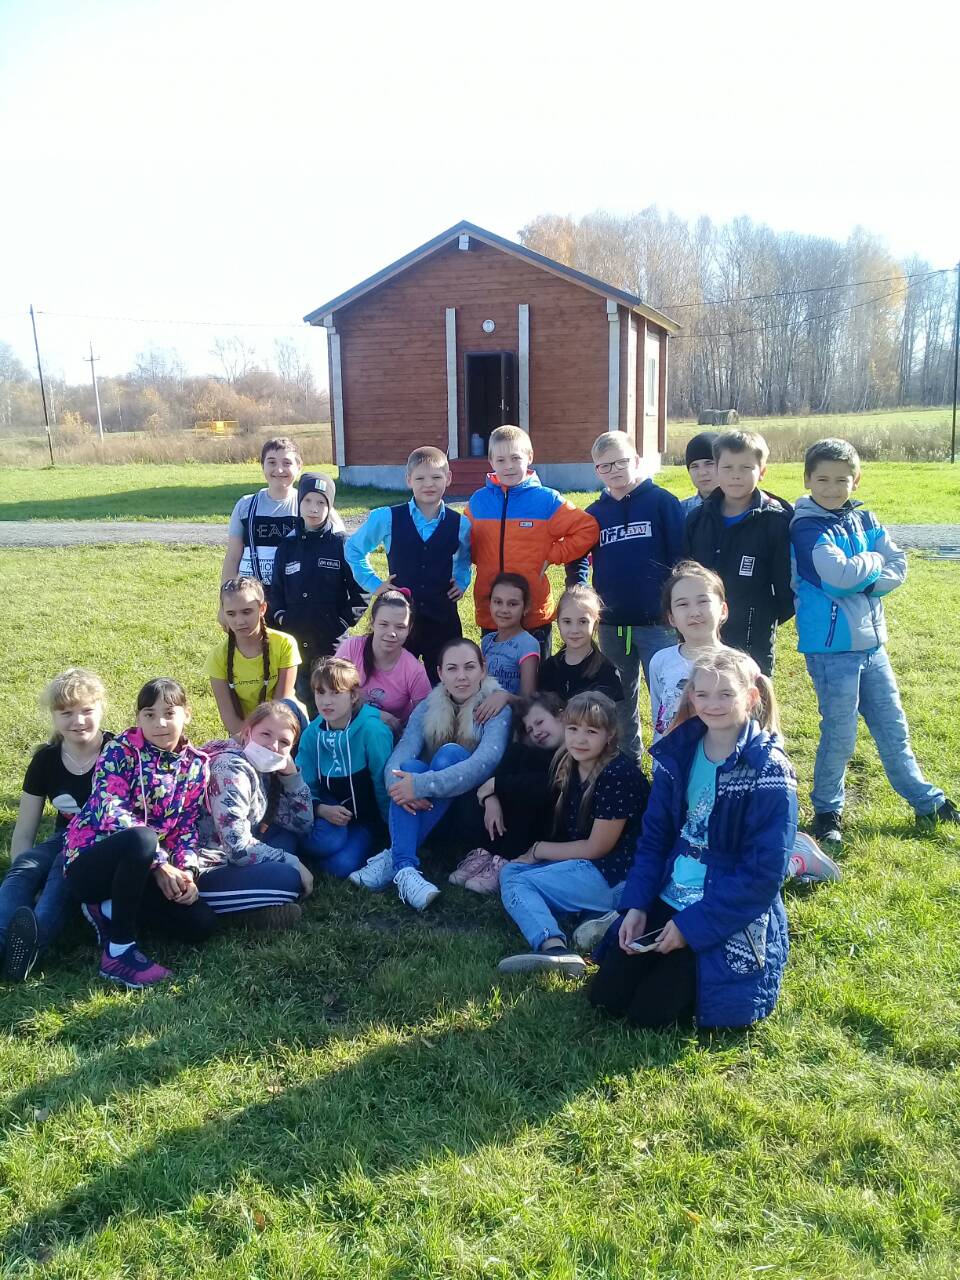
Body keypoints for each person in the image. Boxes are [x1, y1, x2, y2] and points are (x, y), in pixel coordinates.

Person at [589, 647, 796, 1030]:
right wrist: (637, 905)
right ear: (691, 698)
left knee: (649, 1014)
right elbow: (654, 840)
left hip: (725, 904)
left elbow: (762, 876)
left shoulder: (769, 769)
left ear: (751, 697)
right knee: (604, 999)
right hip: (670, 892)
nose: (712, 704)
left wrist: (691, 927)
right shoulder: (678, 755)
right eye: (703, 694)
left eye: (725, 694)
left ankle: (800, 858)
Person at [791, 438, 959, 842]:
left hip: (872, 647)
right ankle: (828, 811)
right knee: (841, 735)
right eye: (823, 479)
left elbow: (898, 565)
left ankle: (926, 800)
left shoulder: (865, 519)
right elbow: (838, 577)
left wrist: (864, 578)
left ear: (857, 480)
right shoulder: (806, 527)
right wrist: (873, 561)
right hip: (832, 652)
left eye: (842, 480)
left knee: (893, 727)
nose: (832, 488)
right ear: (808, 480)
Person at [63, 678, 218, 990]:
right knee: (142, 837)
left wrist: (186, 873)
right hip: (91, 863)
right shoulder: (118, 752)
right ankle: (118, 952)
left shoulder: (196, 765)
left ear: (187, 714)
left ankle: (107, 910)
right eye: (149, 714)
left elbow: (185, 826)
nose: (160, 723)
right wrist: (159, 864)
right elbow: (110, 809)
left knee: (200, 923)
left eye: (169, 713)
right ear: (138, 718)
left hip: (140, 867)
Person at [348, 639, 512, 910]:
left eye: (470, 667)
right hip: (429, 808)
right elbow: (401, 754)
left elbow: (482, 765)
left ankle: (394, 856)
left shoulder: (495, 708)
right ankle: (405, 869)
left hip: (473, 808)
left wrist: (420, 785)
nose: (461, 676)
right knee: (408, 768)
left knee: (451, 754)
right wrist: (401, 785)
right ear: (440, 673)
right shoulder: (428, 705)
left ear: (483, 670)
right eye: (452, 668)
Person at [497, 691, 650, 978]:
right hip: (594, 867)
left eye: (591, 731)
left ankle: (554, 948)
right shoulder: (570, 764)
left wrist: (539, 850)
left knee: (520, 883)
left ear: (609, 735)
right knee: (511, 871)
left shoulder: (618, 775)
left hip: (620, 875)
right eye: (573, 729)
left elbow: (597, 848)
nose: (579, 739)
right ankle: (598, 919)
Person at [568, 430, 684, 764]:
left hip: (657, 623)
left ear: (636, 460)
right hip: (613, 624)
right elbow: (577, 557)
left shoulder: (662, 502)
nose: (614, 470)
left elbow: (680, 556)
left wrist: (674, 606)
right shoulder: (595, 513)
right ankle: (627, 764)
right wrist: (580, 590)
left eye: (620, 462)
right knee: (619, 699)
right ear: (596, 470)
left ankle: (670, 765)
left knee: (669, 696)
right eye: (604, 466)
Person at [1, 669, 112, 983]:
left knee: (60, 874)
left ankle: (31, 944)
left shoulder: (117, 752)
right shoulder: (46, 760)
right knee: (26, 865)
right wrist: (24, 876)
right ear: (53, 715)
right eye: (66, 713)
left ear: (101, 708)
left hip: (105, 841)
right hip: (65, 837)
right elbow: (25, 831)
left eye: (87, 710)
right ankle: (2, 937)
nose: (78, 721)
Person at [466, 424, 598, 660]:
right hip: (493, 612)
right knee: (495, 675)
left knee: (537, 679)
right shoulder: (478, 501)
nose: (508, 466)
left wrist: (553, 555)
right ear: (491, 461)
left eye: (515, 458)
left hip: (533, 613)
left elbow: (587, 529)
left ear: (530, 457)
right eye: (501, 460)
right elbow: (465, 544)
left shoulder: (546, 500)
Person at [345, 446, 472, 681]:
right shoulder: (386, 517)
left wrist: (462, 581)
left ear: (448, 478)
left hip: (442, 617)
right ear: (408, 480)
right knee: (395, 678)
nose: (429, 484)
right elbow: (353, 548)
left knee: (445, 678)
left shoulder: (461, 524)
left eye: (436, 477)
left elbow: (464, 557)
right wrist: (374, 584)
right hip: (399, 620)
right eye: (420, 478)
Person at [683, 429, 794, 676]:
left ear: (762, 472)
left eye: (746, 468)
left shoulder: (776, 522)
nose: (736, 475)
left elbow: (787, 590)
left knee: (752, 693)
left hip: (753, 638)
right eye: (728, 467)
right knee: (705, 690)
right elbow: (686, 575)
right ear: (717, 470)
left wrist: (762, 617)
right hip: (703, 633)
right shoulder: (697, 519)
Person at [196, 701, 314, 928]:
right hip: (202, 864)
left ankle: (250, 903)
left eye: (284, 742)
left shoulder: (264, 767)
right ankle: (239, 912)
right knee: (289, 878)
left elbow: (302, 824)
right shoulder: (231, 769)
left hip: (228, 853)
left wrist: (291, 776)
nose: (273, 746)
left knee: (285, 837)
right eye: (266, 734)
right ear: (248, 732)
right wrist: (293, 862)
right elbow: (238, 848)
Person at [450, 691, 568, 894]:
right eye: (530, 729)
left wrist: (496, 784)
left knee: (525, 783)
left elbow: (548, 787)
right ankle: (487, 852)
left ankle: (506, 859)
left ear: (561, 716)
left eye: (540, 722)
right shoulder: (539, 754)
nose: (536, 732)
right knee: (518, 752)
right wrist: (491, 798)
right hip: (528, 815)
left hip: (556, 829)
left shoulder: (573, 749)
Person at [270, 472, 368, 708]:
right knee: (300, 697)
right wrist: (282, 617)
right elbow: (276, 590)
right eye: (307, 501)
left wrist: (342, 621)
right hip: (295, 640)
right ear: (299, 503)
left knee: (332, 695)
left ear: (330, 506)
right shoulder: (287, 546)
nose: (313, 508)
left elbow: (362, 590)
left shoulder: (342, 544)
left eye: (321, 502)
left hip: (331, 643)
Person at [296, 657, 394, 878]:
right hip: (328, 807)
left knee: (341, 866)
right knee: (327, 841)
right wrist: (320, 809)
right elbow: (304, 784)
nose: (326, 701)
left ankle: (341, 843)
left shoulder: (373, 731)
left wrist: (390, 829)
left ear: (353, 696)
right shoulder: (312, 734)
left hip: (366, 819)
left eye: (335, 692)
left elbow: (383, 782)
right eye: (320, 692)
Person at [206, 577, 301, 736]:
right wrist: (251, 743)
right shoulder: (217, 656)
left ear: (262, 608)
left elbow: (281, 703)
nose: (239, 621)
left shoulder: (285, 644)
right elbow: (228, 716)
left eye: (246, 612)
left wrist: (265, 741)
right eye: (231, 614)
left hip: (282, 727)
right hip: (242, 734)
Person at [336, 590, 431, 734]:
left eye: (400, 627)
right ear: (372, 622)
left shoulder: (414, 670)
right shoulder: (352, 648)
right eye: (384, 624)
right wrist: (373, 714)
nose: (391, 633)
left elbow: (424, 717)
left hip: (390, 737)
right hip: (346, 728)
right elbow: (330, 693)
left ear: (409, 629)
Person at [221, 437, 303, 587]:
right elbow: (233, 557)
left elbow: (339, 544)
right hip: (251, 596)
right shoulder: (246, 506)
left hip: (294, 594)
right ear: (262, 466)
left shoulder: (308, 505)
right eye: (272, 462)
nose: (279, 470)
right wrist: (226, 595)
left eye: (287, 463)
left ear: (299, 467)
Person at [539, 584, 624, 704]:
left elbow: (608, 714)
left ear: (595, 624)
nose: (574, 630)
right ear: (558, 623)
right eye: (567, 621)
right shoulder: (548, 668)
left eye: (583, 621)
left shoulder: (606, 672)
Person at [477, 573, 540, 717]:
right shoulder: (487, 641)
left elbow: (528, 701)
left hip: (510, 719)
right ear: (490, 603)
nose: (504, 609)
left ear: (525, 608)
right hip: (483, 713)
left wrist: (506, 697)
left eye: (512, 604)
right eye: (498, 602)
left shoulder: (528, 644)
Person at [680, 431, 719, 515]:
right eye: (694, 466)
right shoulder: (680, 511)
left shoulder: (742, 510)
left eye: (709, 464)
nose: (702, 472)